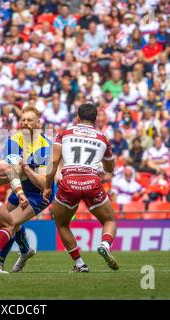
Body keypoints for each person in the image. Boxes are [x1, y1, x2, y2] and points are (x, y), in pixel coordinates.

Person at [43, 103, 119, 272]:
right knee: (109, 220)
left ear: (77, 117)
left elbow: (54, 162)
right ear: (96, 119)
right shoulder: (103, 138)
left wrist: (47, 187)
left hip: (69, 181)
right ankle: (105, 245)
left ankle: (80, 264)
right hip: (92, 181)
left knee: (62, 223)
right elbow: (109, 168)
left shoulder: (64, 133)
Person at [0, 106, 54, 273]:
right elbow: (1, 178)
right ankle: (26, 250)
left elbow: (44, 184)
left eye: (29, 120)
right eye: (23, 120)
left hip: (40, 194)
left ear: (38, 123)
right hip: (18, 189)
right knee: (6, 222)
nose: (25, 123)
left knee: (10, 223)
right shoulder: (13, 142)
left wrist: (26, 169)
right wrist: (15, 173)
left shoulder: (46, 146)